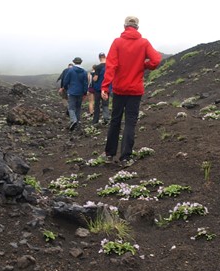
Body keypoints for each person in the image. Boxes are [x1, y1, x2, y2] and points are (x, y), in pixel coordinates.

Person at [101, 16, 161, 165]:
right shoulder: (144, 43)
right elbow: (156, 60)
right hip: (135, 90)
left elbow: (111, 66)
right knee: (130, 122)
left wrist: (105, 87)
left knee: (115, 120)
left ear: (125, 26)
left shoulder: (117, 42)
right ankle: (126, 157)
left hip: (119, 89)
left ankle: (109, 154)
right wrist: (145, 65)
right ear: (137, 27)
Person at [59, 57, 89, 131]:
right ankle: (77, 123)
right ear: (80, 62)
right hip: (80, 92)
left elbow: (66, 81)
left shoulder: (70, 70)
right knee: (78, 108)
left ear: (74, 62)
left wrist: (65, 88)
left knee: (71, 108)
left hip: (72, 91)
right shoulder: (84, 72)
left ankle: (73, 120)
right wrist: (85, 93)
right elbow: (85, 83)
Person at [91, 52, 109, 124]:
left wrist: (92, 76)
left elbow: (95, 78)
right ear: (105, 57)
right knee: (105, 104)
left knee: (97, 104)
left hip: (98, 88)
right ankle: (106, 118)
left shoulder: (98, 67)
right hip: (107, 88)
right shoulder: (109, 66)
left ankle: (95, 120)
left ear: (99, 58)